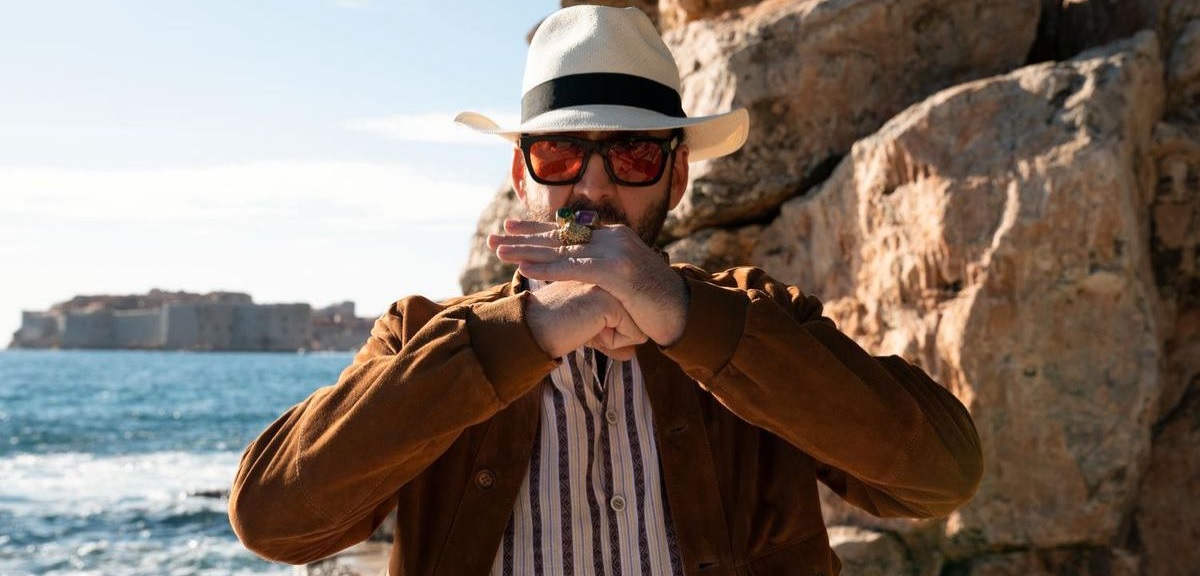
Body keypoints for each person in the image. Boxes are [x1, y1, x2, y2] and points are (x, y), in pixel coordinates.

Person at [229, 6, 983, 576]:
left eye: (632, 153)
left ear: (676, 176)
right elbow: (272, 520)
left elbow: (939, 476)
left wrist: (684, 316)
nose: (593, 187)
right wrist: (528, 333)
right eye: (561, 154)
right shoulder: (419, 334)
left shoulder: (757, 320)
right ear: (522, 174)